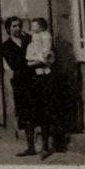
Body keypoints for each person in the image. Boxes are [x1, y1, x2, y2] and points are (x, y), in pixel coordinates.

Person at [1, 16, 39, 157]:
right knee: (25, 114)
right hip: (21, 82)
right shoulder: (6, 46)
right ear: (8, 29)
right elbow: (14, 64)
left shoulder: (30, 39)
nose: (17, 28)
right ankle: (31, 147)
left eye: (19, 25)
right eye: (14, 26)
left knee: (40, 111)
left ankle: (46, 145)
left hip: (35, 79)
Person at [25, 17, 57, 160]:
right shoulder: (32, 43)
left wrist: (37, 60)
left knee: (46, 111)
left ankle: (46, 146)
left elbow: (47, 58)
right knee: (35, 111)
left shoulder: (46, 38)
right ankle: (34, 146)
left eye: (35, 26)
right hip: (35, 79)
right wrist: (38, 60)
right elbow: (29, 59)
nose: (32, 28)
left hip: (45, 78)